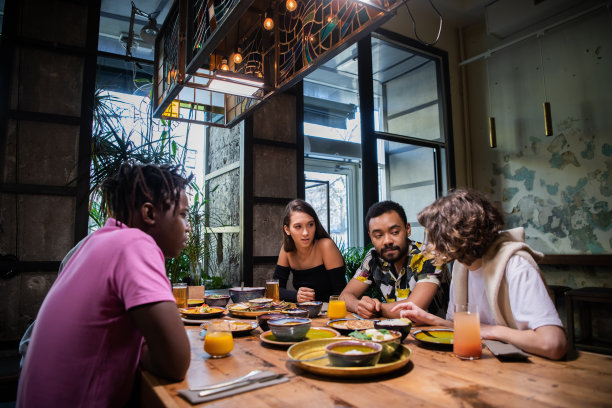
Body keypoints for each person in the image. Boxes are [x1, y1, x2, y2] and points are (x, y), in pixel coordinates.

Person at [17, 162, 193, 407]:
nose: (188, 227)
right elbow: (175, 362)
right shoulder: (135, 245)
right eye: (183, 214)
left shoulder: (94, 243)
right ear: (149, 213)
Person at [391, 189, 567, 360]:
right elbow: (463, 328)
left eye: (436, 236)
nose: (430, 245)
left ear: (458, 235)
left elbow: (553, 343)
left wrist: (492, 330)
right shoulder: (462, 267)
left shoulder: (516, 265)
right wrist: (429, 318)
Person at [340, 201, 450, 319]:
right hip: (396, 331)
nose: (387, 241)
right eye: (378, 235)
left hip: (438, 334)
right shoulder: (373, 257)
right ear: (371, 237)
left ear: (407, 229)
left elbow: (413, 308)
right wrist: (359, 306)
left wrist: (376, 308)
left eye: (395, 232)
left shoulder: (430, 255)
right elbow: (344, 296)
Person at [273, 199, 347, 303]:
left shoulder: (326, 246)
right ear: (287, 230)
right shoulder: (287, 250)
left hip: (330, 311)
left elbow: (342, 294)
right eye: (298, 226)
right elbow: (275, 291)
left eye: (310, 224)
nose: (305, 233)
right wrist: (296, 296)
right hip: (303, 312)